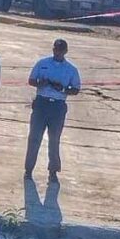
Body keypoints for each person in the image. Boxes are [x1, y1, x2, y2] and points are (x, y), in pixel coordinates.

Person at [25, 39, 82, 184]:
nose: (58, 53)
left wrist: (62, 89)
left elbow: (75, 89)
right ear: (53, 50)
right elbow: (31, 80)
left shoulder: (71, 69)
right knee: (34, 138)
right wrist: (40, 83)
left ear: (65, 52)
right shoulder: (42, 63)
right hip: (41, 103)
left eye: (61, 51)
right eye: (56, 50)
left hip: (58, 106)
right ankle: (28, 170)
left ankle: (53, 171)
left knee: (54, 139)